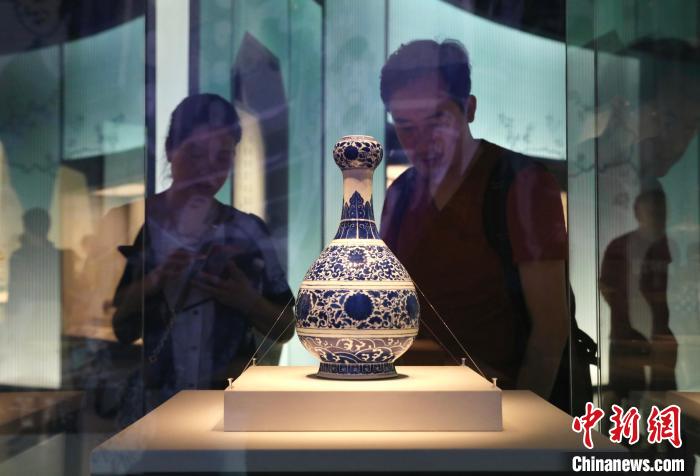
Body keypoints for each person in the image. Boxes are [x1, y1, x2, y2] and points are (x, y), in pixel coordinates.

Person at [379, 39, 570, 403]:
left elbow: (550, 330)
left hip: (501, 401)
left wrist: (520, 420)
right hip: (417, 400)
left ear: (469, 108)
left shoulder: (521, 183)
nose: (422, 142)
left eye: (437, 120)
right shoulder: (401, 193)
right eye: (406, 127)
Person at [111, 94, 294, 421]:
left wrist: (246, 300)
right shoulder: (148, 226)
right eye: (195, 153)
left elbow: (285, 328)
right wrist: (157, 280)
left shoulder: (249, 231)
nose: (207, 169)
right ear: (170, 149)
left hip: (229, 406)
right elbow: (122, 328)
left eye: (222, 156)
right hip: (157, 406)